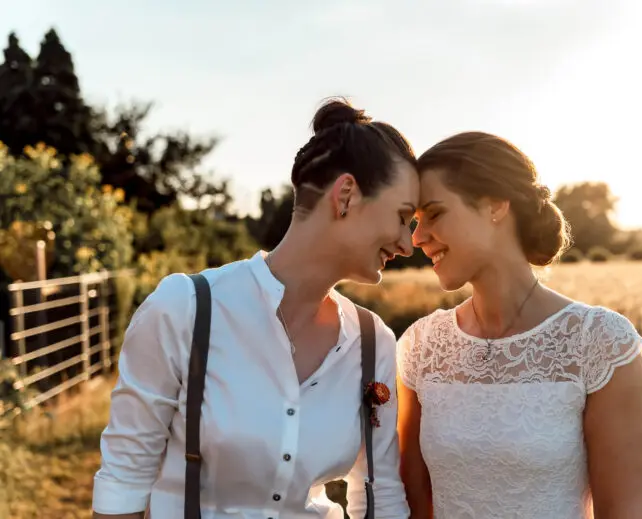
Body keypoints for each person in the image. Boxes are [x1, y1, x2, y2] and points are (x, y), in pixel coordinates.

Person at [91, 99, 419, 519]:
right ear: (347, 196)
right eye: (401, 216)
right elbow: (122, 484)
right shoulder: (185, 310)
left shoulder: (374, 342)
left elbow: (382, 493)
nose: (407, 245)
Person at [396, 132, 642, 519]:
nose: (417, 237)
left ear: (495, 206)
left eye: (433, 214)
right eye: (415, 221)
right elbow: (415, 506)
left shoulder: (600, 342)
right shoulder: (421, 346)